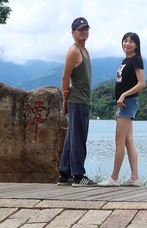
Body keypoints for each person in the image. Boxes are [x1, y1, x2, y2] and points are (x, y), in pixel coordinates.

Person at [98, 32, 146, 187]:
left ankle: (113, 178)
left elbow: (141, 83)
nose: (127, 44)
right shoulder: (125, 60)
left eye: (131, 42)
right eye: (125, 41)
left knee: (119, 141)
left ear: (136, 45)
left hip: (128, 102)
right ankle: (135, 178)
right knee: (128, 141)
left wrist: (124, 95)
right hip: (124, 104)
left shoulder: (136, 60)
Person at [57, 17, 97, 187]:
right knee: (79, 139)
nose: (84, 32)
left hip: (82, 100)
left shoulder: (85, 51)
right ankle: (78, 175)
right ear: (73, 33)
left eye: (86, 29)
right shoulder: (74, 51)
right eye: (80, 29)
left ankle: (64, 174)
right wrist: (64, 99)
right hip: (77, 101)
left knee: (72, 138)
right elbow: (65, 77)